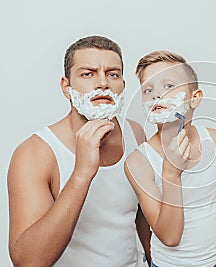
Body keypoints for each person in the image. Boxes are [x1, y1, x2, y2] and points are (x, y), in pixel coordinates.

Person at [7, 35, 151, 267]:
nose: (103, 83)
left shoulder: (135, 133)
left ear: (123, 85)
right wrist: (81, 174)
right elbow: (28, 261)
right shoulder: (34, 154)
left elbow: (143, 215)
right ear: (67, 87)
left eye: (112, 74)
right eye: (88, 73)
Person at [124, 51, 216, 267]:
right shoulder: (139, 163)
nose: (156, 95)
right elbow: (169, 237)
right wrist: (171, 174)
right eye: (148, 89)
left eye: (168, 86)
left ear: (195, 98)